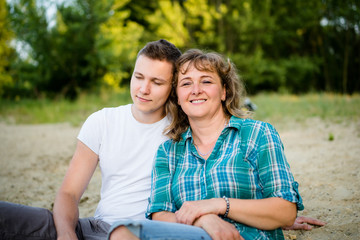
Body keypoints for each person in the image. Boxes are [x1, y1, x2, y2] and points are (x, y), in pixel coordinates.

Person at [108, 49, 325, 240]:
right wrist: (203, 220)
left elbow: (285, 211)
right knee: (122, 232)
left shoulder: (257, 134)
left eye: (206, 81)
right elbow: (160, 216)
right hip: (190, 236)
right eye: (186, 83)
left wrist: (218, 205)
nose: (196, 90)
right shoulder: (168, 151)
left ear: (224, 91)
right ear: (178, 97)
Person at [0, 39, 182, 240]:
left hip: (145, 234)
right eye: (138, 77)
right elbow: (69, 193)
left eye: (156, 82)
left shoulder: (182, 129)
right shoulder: (102, 120)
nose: (143, 89)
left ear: (173, 87)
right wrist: (67, 234)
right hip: (95, 229)